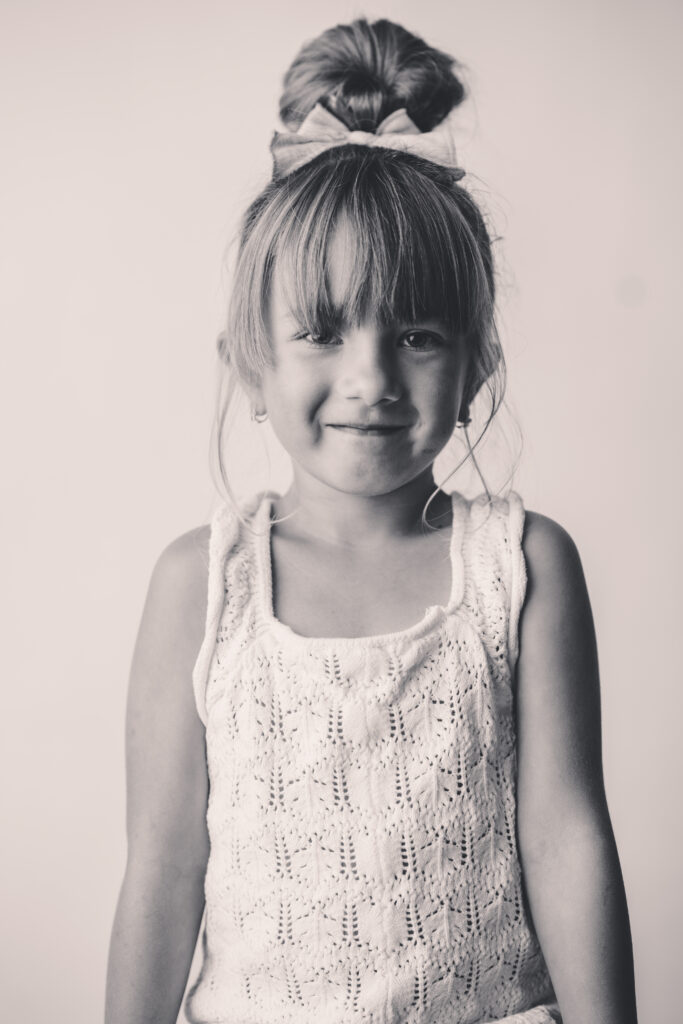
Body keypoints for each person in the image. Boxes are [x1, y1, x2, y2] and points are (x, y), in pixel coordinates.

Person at [105, 17, 638, 1024]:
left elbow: (566, 839)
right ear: (250, 365)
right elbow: (163, 866)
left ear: (475, 363)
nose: (371, 377)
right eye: (319, 328)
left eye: (415, 333)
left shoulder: (518, 568)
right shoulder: (200, 581)